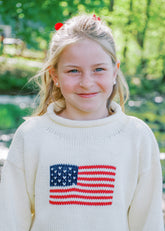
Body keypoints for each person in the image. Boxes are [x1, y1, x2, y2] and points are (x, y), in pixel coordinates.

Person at [0, 14, 164, 231]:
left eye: (99, 69)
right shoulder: (31, 135)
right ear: (55, 75)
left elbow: (148, 221)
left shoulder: (137, 136)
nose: (87, 83)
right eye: (73, 71)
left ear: (115, 70)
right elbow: (10, 219)